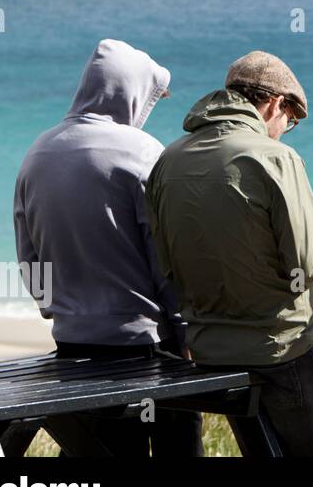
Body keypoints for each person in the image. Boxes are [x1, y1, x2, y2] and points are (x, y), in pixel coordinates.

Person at [146, 51, 313, 457]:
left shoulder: (169, 160)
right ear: (275, 102)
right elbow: (307, 264)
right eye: (289, 121)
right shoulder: (275, 158)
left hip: (208, 349)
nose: (283, 130)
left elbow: (165, 262)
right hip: (280, 348)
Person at [13, 39, 202, 456]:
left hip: (73, 344)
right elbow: (165, 259)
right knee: (177, 446)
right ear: (130, 92)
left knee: (96, 449)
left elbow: (28, 259)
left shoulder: (37, 153)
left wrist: (59, 310)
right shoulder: (143, 153)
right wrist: (184, 329)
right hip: (148, 346)